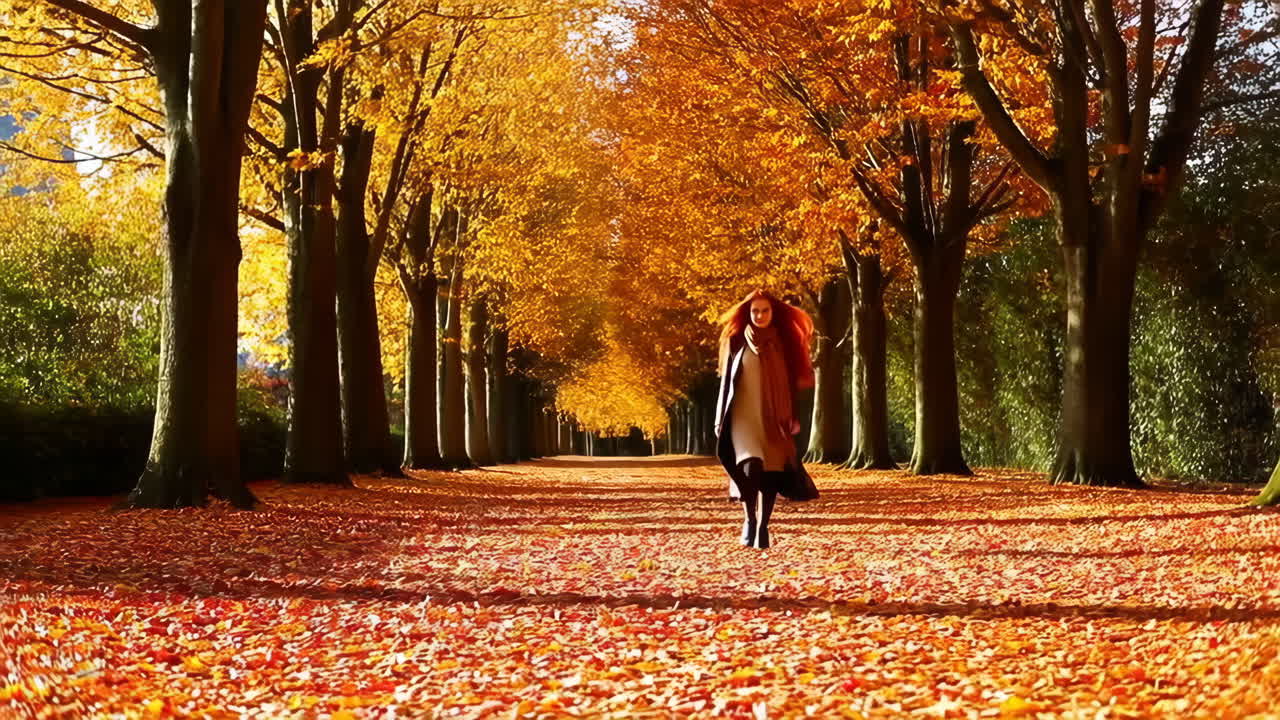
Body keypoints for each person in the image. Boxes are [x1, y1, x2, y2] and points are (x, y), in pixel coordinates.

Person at [713, 289, 818, 549]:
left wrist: (794, 416)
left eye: (764, 311)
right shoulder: (736, 340)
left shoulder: (784, 343)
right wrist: (719, 418)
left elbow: (794, 386)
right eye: (755, 311)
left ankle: (762, 526)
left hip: (775, 418)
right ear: (748, 313)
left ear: (773, 313)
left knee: (771, 473)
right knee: (751, 466)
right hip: (742, 417)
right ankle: (749, 517)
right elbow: (725, 383)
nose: (760, 316)